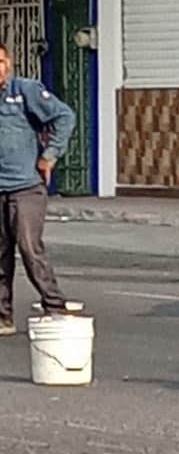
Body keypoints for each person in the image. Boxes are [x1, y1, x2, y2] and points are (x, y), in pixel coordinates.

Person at [0, 43, 82, 336]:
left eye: (0, 61)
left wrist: (49, 156)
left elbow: (65, 116)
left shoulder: (24, 92)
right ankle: (3, 316)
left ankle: (54, 304)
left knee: (29, 246)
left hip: (26, 187)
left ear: (7, 63)